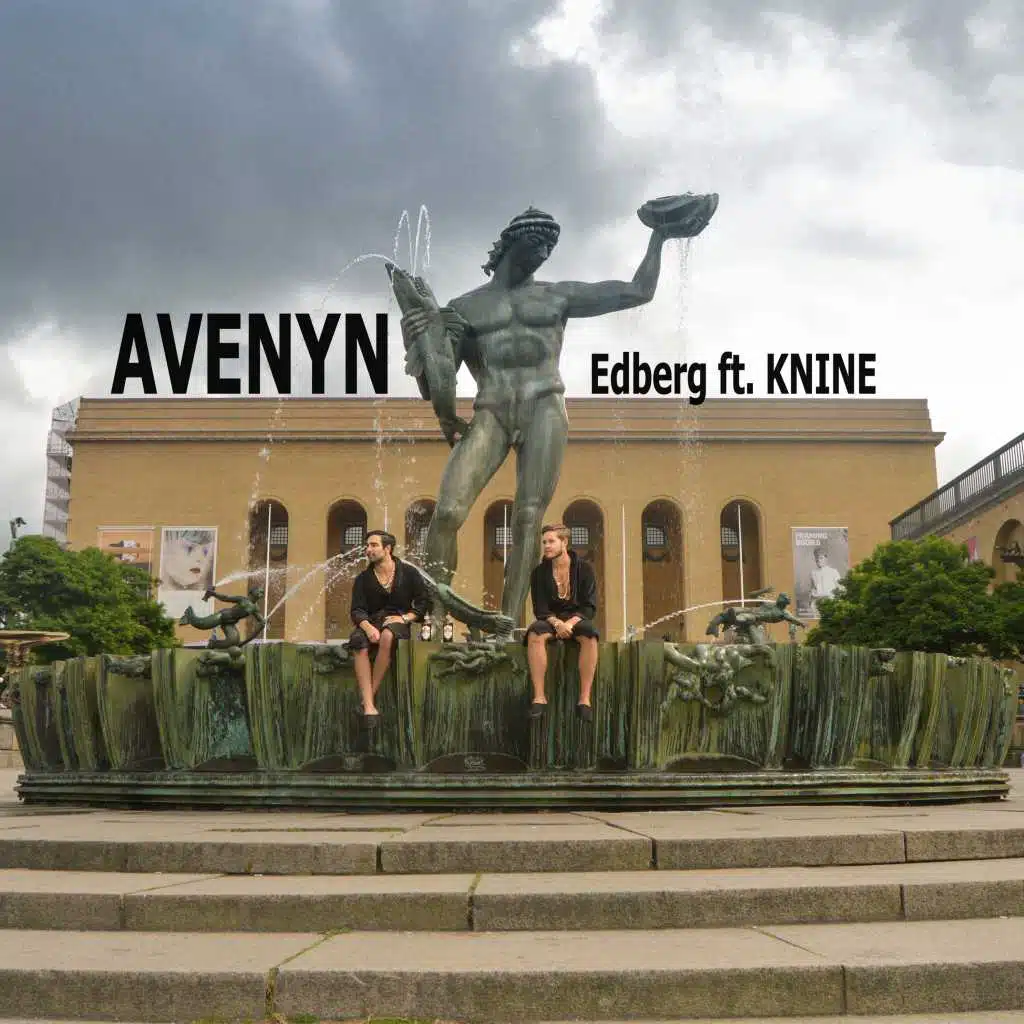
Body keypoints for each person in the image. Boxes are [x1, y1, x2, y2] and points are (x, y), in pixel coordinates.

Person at [348, 530, 429, 728]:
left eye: (374, 545)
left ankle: (368, 696)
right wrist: (368, 628)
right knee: (358, 642)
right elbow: (357, 610)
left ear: (388, 549)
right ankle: (369, 707)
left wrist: (404, 617)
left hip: (397, 622)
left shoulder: (409, 573)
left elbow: (423, 602)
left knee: (387, 635)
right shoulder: (363, 579)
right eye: (367, 546)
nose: (368, 550)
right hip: (370, 622)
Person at [524, 524, 600, 721]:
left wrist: (569, 624)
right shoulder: (538, 573)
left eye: (551, 541)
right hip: (550, 619)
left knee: (591, 634)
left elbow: (589, 606)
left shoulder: (585, 569)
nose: (546, 546)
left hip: (576, 619)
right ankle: (539, 697)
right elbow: (540, 609)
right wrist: (557, 623)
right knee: (534, 633)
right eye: (544, 542)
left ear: (564, 542)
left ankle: (584, 699)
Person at [808, 546, 841, 617]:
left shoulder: (833, 571)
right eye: (816, 558)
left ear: (826, 559)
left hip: (830, 602)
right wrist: (811, 600)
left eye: (821, 558)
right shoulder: (813, 573)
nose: (818, 560)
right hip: (817, 603)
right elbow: (812, 588)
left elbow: (839, 589)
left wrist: (836, 602)